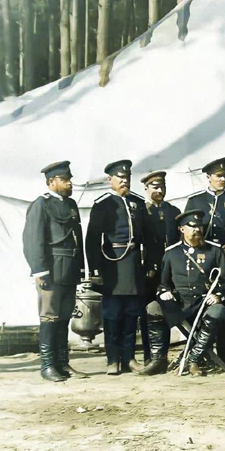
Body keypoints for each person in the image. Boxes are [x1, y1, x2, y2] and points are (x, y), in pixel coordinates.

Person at [149, 210, 225, 377]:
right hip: (181, 303)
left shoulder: (215, 251)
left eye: (199, 226)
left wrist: (218, 295)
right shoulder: (171, 253)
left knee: (218, 311)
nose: (197, 230)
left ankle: (194, 358)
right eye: (192, 226)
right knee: (153, 308)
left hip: (204, 301)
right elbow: (163, 283)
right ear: (182, 229)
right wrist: (165, 291)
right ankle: (158, 360)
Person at [22, 161, 87, 381]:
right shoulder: (41, 204)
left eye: (69, 179)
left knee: (64, 318)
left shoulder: (71, 205)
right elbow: (33, 240)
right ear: (52, 182)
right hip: (50, 271)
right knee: (49, 318)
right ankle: (48, 366)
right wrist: (39, 270)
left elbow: (77, 241)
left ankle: (63, 364)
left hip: (68, 271)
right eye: (64, 179)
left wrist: (80, 270)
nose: (69, 183)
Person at [86, 160, 149, 375]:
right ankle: (112, 360)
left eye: (127, 177)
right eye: (120, 177)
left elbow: (147, 237)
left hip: (133, 265)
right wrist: (94, 270)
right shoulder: (103, 204)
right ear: (109, 180)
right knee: (112, 315)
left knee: (132, 314)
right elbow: (92, 239)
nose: (124, 181)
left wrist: (149, 264)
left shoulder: (138, 202)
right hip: (111, 264)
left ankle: (129, 358)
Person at [185, 158, 225, 364]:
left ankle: (224, 350)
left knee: (224, 303)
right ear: (208, 178)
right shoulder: (196, 201)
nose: (222, 179)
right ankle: (202, 351)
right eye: (219, 176)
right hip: (204, 258)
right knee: (202, 303)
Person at [138, 170, 180, 368]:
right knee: (148, 313)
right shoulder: (141, 212)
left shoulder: (173, 211)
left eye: (162, 186)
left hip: (170, 272)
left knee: (167, 310)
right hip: (150, 272)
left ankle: (165, 354)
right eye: (155, 187)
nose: (159, 190)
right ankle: (151, 356)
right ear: (146, 189)